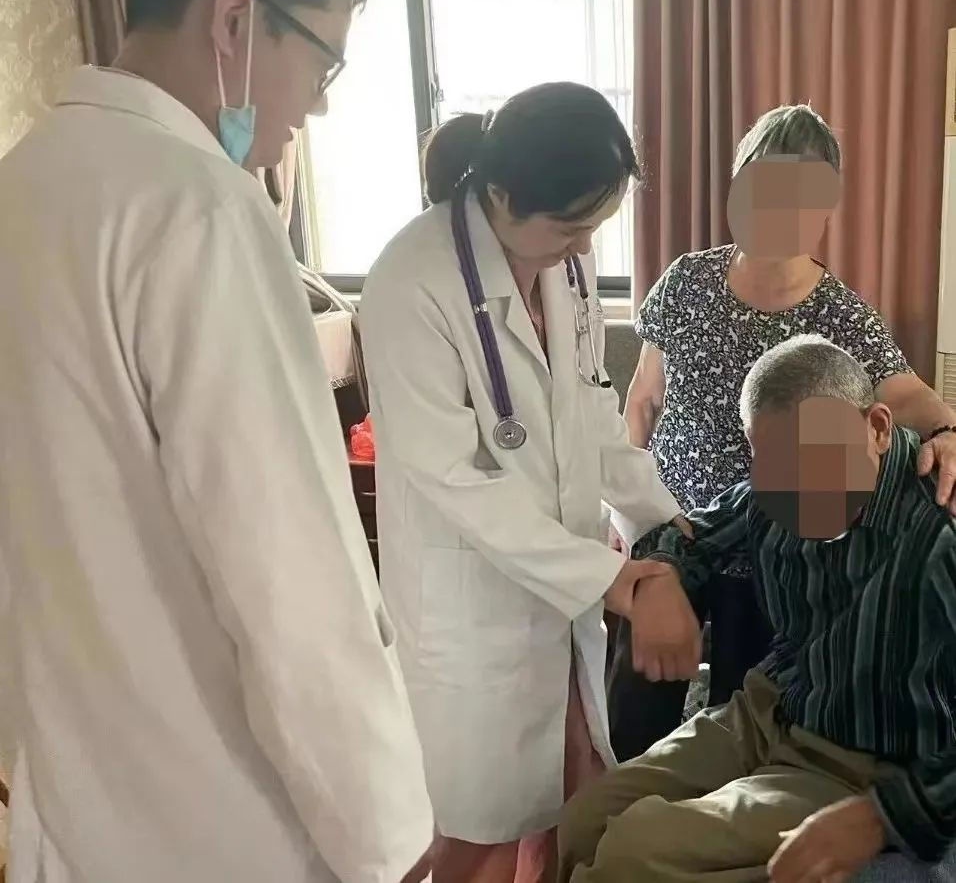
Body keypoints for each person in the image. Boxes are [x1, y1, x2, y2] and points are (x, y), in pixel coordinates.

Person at [0, 0, 433, 881]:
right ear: (235, 20)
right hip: (229, 818)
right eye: (322, 62)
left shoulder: (22, 184)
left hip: (71, 806)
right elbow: (291, 579)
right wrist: (392, 844)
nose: (319, 104)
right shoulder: (199, 208)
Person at [359, 83, 690, 883]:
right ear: (502, 196)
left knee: (568, 802)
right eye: (571, 227)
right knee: (474, 835)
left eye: (595, 228)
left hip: (558, 592)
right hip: (475, 608)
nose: (583, 248)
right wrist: (615, 580)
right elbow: (455, 479)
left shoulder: (564, 266)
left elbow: (592, 413)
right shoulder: (411, 281)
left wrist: (672, 525)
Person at [609, 104, 956, 760]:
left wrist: (947, 429)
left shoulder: (843, 315)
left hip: (764, 544)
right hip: (672, 526)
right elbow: (643, 401)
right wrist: (623, 516)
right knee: (635, 704)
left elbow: (906, 394)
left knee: (740, 720)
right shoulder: (687, 281)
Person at [559, 335, 956, 883]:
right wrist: (662, 580)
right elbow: (689, 535)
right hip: (768, 711)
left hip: (863, 760)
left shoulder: (939, 532)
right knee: (584, 819)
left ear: (878, 428)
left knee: (635, 851)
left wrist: (883, 815)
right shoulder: (773, 492)